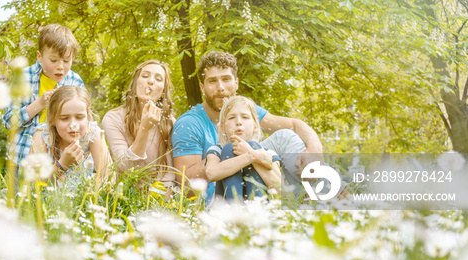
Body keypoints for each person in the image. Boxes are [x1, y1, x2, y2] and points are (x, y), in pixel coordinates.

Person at [171, 51, 323, 196]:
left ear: (236, 83)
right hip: (219, 194)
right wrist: (228, 153)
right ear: (202, 87)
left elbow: (295, 125)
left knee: (284, 136)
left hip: (258, 182)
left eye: (226, 79)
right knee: (230, 149)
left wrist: (314, 150)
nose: (220, 88)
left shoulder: (245, 110)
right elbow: (187, 187)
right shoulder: (189, 123)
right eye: (212, 81)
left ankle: (324, 191)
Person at [4, 24, 85, 165]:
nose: (60, 66)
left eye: (66, 61)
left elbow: (83, 121)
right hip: (22, 160)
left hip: (61, 160)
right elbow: (9, 122)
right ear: (39, 57)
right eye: (53, 60)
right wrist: (39, 104)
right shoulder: (23, 78)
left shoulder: (74, 81)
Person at [102, 60, 176, 190]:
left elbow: (168, 176)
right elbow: (126, 168)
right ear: (135, 82)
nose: (151, 81)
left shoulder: (169, 123)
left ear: (163, 90)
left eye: (158, 79)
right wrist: (144, 129)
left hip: (157, 198)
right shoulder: (113, 119)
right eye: (145, 76)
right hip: (122, 195)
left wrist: (160, 206)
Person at [30, 86, 112, 185]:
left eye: (79, 117)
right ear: (53, 119)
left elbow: (109, 177)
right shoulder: (43, 135)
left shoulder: (92, 133)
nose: (74, 125)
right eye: (64, 118)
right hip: (48, 199)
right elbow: (32, 182)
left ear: (87, 116)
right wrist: (62, 165)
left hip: (82, 197)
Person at [205, 96, 282, 201]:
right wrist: (251, 156)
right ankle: (235, 209)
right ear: (222, 127)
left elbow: (280, 190)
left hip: (261, 209)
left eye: (245, 117)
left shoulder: (266, 152)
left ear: (255, 125)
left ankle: (256, 208)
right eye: (232, 118)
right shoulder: (217, 150)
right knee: (228, 148)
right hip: (226, 208)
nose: (238, 122)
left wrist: (252, 152)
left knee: (254, 146)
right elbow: (212, 174)